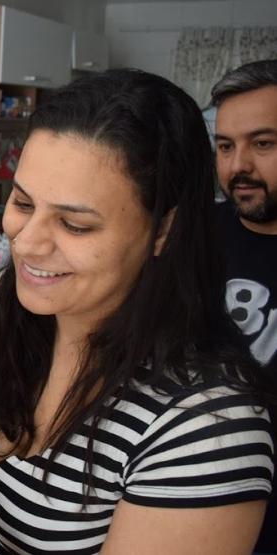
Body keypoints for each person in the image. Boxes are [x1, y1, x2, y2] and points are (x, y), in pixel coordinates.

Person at [0, 69, 275, 554]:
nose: (28, 243)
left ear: (164, 231)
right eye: (22, 202)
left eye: (75, 224)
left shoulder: (210, 431)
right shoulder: (0, 303)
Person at [210, 59, 277, 554]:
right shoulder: (189, 237)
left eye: (264, 143)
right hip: (183, 492)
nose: (239, 167)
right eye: (226, 146)